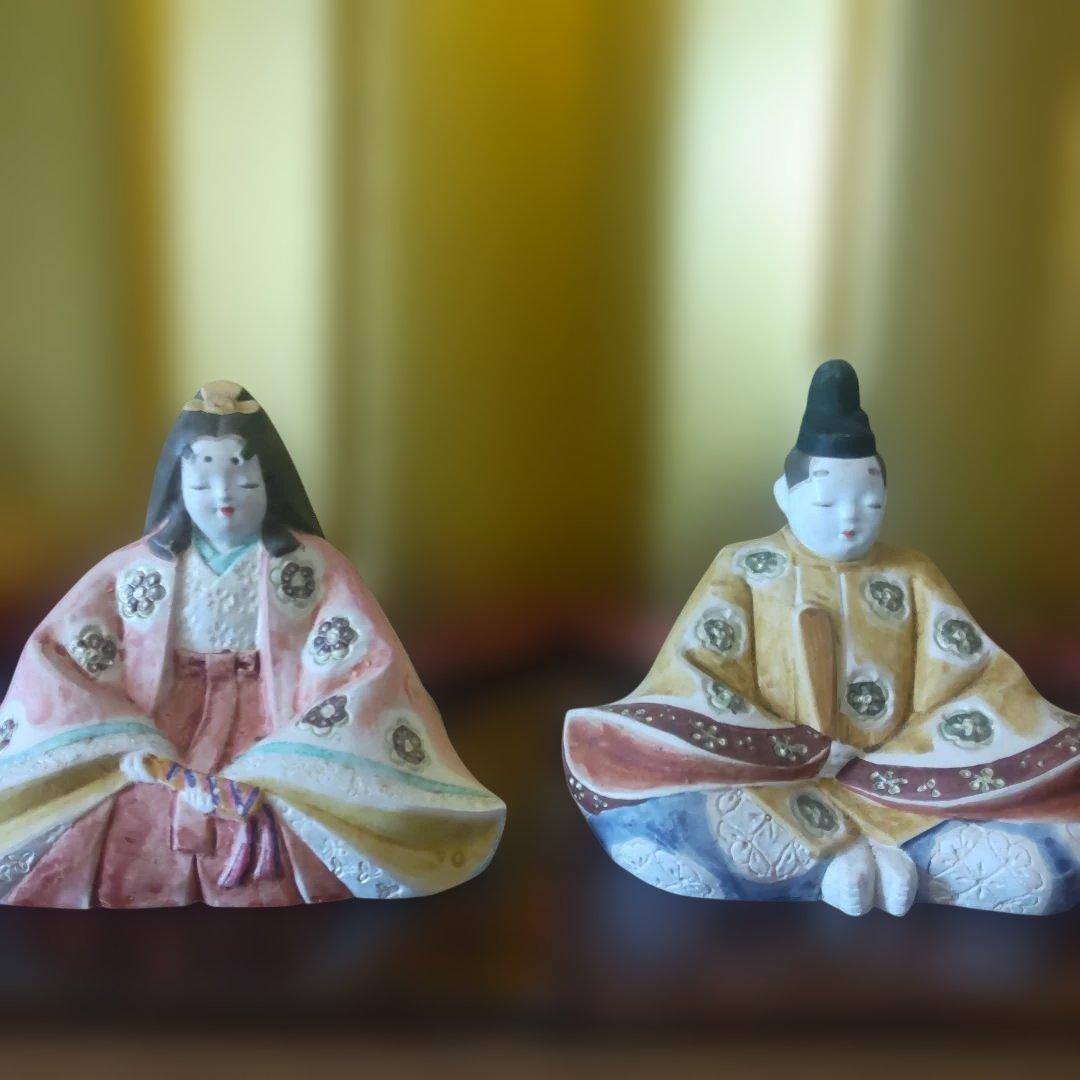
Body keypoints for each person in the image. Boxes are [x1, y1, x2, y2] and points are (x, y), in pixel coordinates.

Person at [563, 360, 1080, 915]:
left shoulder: (912, 574)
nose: (850, 520)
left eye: (871, 504)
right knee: (643, 798)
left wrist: (895, 764)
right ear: (784, 495)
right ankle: (835, 866)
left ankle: (897, 857)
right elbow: (693, 676)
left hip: (901, 787)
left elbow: (978, 679)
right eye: (827, 503)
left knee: (1066, 818)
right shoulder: (745, 567)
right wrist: (804, 752)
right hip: (778, 784)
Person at [0, 381, 504, 908]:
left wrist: (279, 758)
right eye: (202, 483)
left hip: (280, 728)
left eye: (243, 481)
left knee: (294, 815)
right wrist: (138, 746)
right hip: (157, 727)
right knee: (107, 820)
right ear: (177, 486)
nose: (223, 498)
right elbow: (60, 660)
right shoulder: (135, 569)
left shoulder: (314, 567)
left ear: (270, 483)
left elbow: (365, 667)